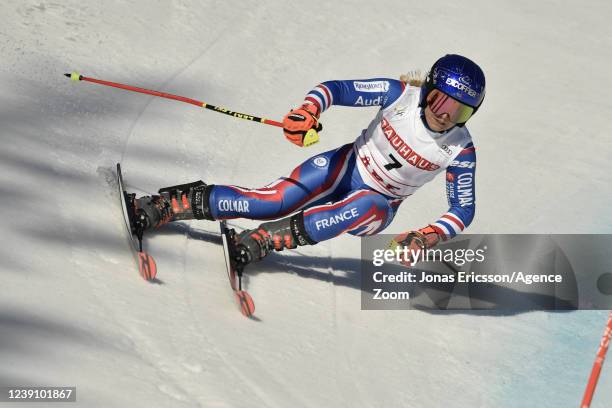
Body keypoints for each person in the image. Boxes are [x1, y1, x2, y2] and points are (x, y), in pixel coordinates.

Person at [133, 54, 485, 268]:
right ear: (426, 91)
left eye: (460, 111)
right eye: (440, 102)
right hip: (344, 167)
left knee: (368, 201)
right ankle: (168, 204)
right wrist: (309, 109)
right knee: (271, 202)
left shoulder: (459, 148)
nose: (445, 115)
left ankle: (267, 240)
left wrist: (429, 235)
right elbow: (335, 89)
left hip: (378, 208)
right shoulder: (399, 96)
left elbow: (463, 209)